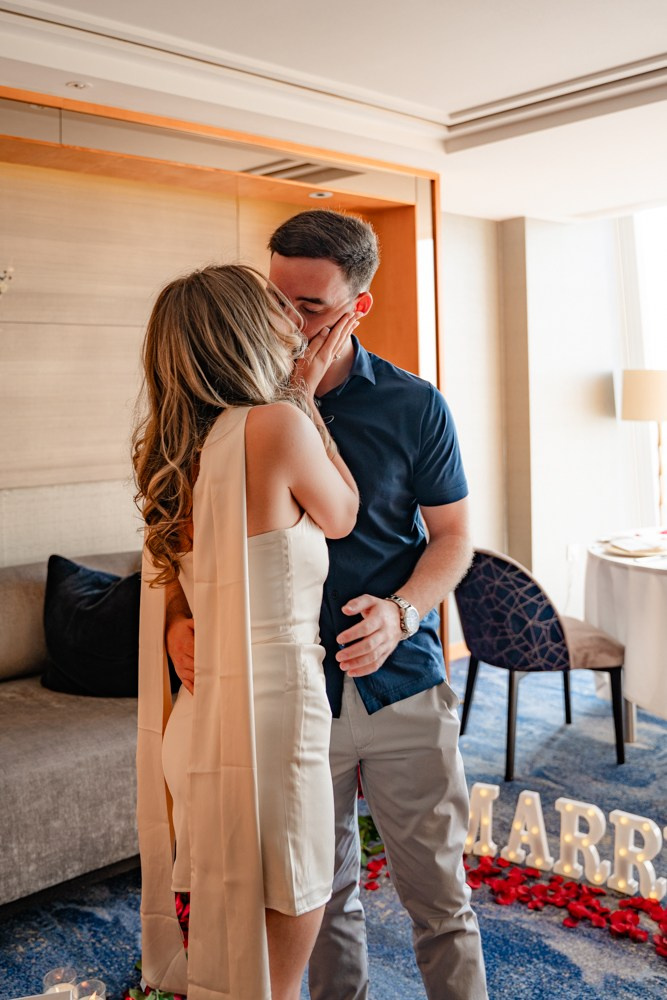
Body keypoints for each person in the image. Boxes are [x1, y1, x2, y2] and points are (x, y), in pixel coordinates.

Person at [166, 210, 488, 1000]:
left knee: (438, 896)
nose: (287, 322)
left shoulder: (416, 407)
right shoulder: (232, 403)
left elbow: (453, 540)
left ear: (358, 306)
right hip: (283, 697)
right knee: (321, 892)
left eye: (309, 307)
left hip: (399, 680)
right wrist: (181, 621)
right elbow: (187, 534)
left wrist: (403, 614)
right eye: (275, 298)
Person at [132, 263, 360, 1000]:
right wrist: (300, 395)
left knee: (229, 936)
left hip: (198, 725)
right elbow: (343, 513)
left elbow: (172, 581)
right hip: (270, 716)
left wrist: (174, 632)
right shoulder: (275, 425)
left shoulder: (167, 451)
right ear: (246, 334)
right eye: (276, 312)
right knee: (285, 927)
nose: (292, 327)